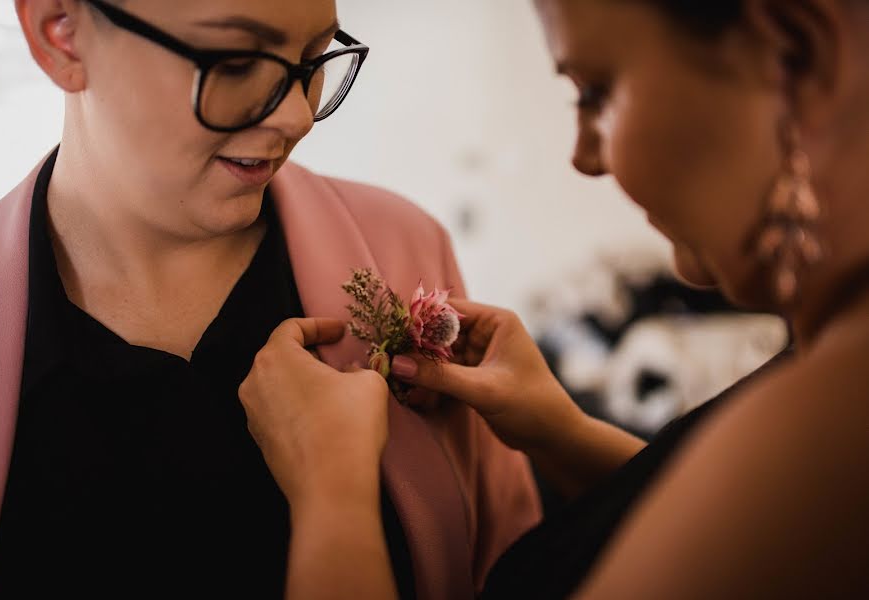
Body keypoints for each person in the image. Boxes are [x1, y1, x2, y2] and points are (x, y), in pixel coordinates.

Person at [241, 0, 869, 598]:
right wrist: (562, 434)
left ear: (798, 48)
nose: (585, 156)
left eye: (596, 92)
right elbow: (743, 529)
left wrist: (331, 493)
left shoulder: (841, 410)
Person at [0, 1, 542, 598]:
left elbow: (515, 567)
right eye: (238, 62)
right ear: (59, 34)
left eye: (313, 59)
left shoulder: (401, 245)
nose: (298, 118)